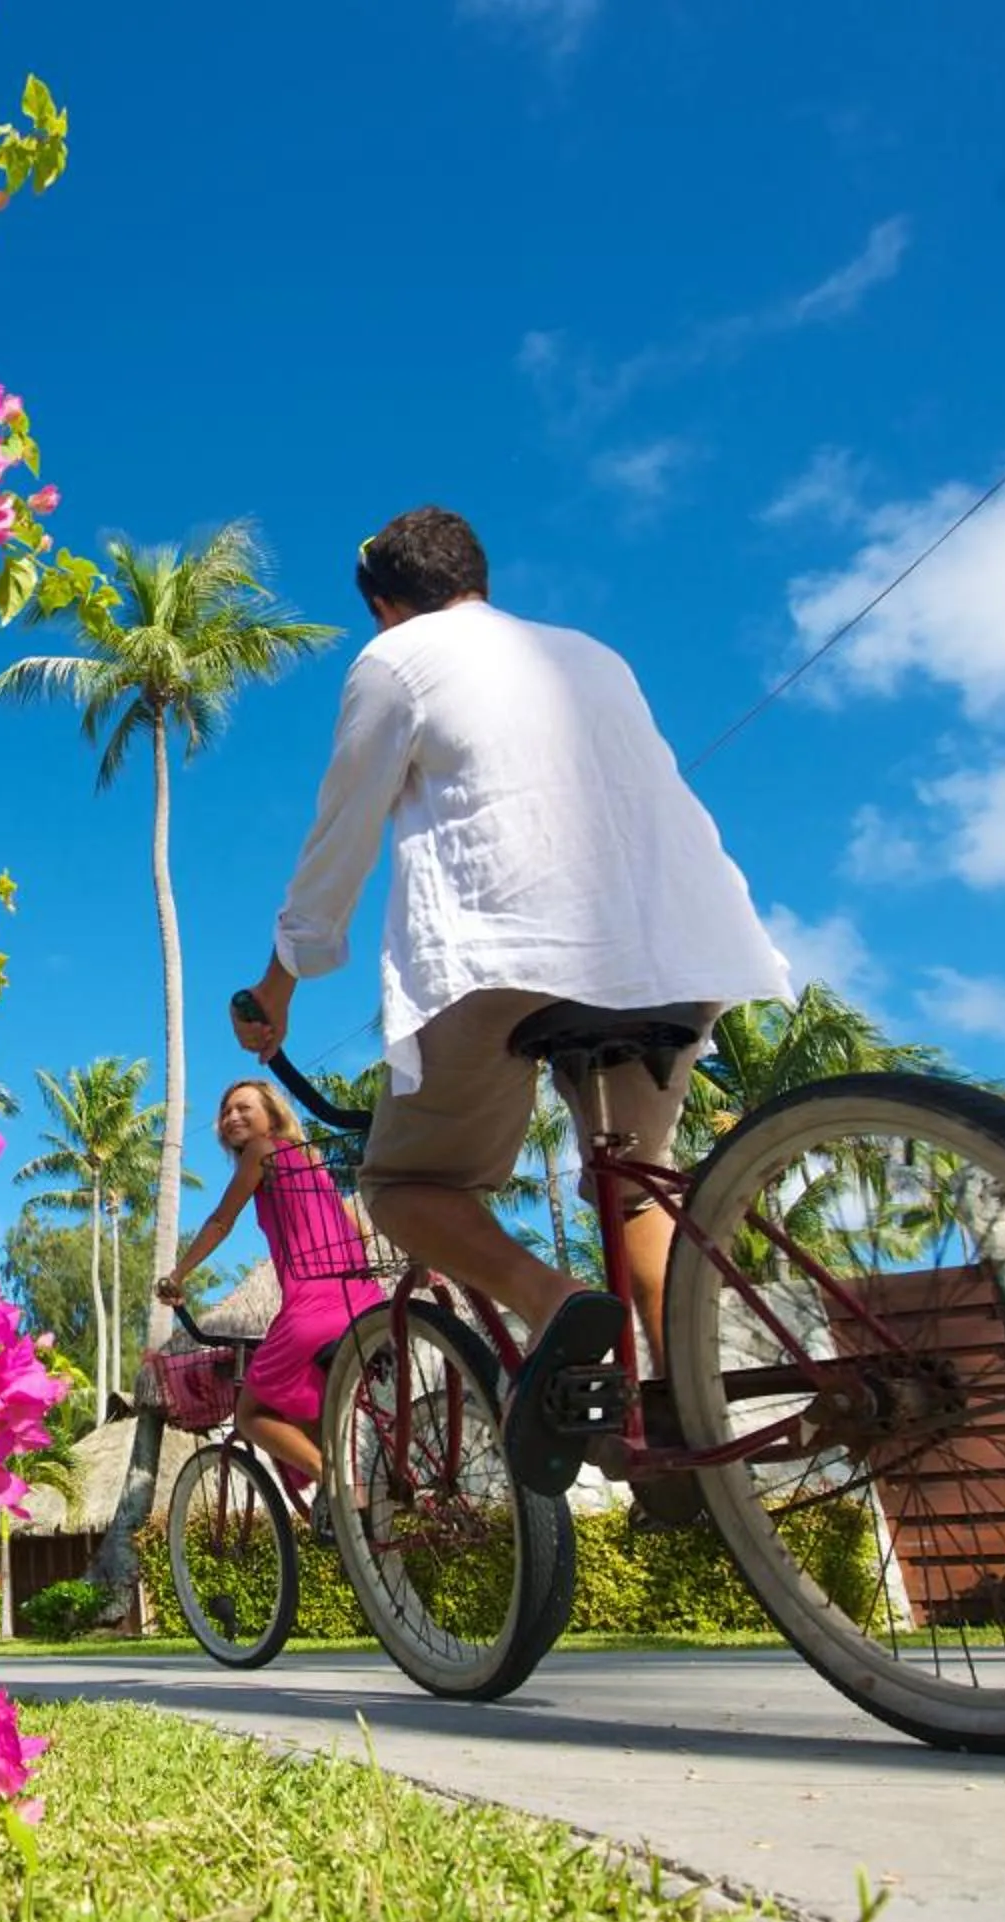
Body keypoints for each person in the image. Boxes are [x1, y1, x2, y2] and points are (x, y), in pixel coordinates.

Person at [230, 506, 789, 1495]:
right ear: (478, 576)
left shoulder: (399, 659)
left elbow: (339, 841)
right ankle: (683, 1419)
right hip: (685, 941)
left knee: (404, 1186)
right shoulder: (591, 653)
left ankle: (556, 1299)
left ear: (381, 602)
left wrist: (277, 987)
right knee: (634, 1178)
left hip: (511, 948)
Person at [151, 1079, 381, 1499]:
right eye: (225, 1111)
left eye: (244, 1108)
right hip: (364, 1302)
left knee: (250, 1414)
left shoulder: (263, 1151)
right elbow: (359, 1230)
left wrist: (178, 1275)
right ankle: (356, 1517)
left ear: (272, 1116)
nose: (232, 1117)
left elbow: (221, 1222)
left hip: (312, 1311)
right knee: (308, 1411)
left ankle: (339, 1484)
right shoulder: (313, 1159)